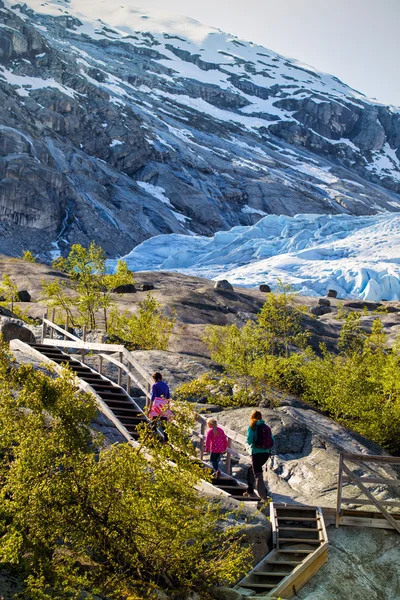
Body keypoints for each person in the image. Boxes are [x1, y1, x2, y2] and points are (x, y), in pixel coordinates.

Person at [246, 409, 274, 500]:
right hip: (266, 453)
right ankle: (249, 490)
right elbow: (273, 440)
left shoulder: (252, 426)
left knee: (258, 474)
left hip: (256, 453)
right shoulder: (266, 427)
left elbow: (249, 440)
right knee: (251, 470)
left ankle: (264, 496)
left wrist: (249, 442)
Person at [149, 372, 172, 442]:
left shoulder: (155, 385)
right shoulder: (166, 386)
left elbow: (153, 396)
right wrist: (168, 407)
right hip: (164, 404)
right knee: (164, 422)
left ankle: (154, 437)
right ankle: (166, 439)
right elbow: (168, 397)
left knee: (153, 421)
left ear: (155, 378)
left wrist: (150, 407)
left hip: (157, 404)